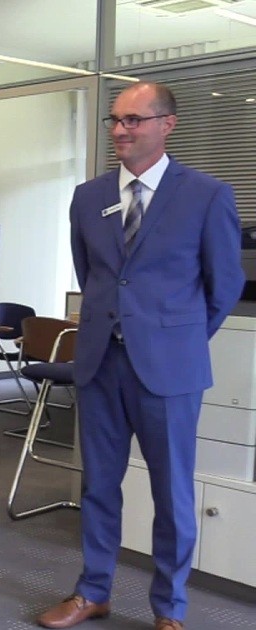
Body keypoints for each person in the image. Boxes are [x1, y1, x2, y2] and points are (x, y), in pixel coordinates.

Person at [36, 82, 243, 630]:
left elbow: (224, 286)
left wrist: (175, 338)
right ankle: (92, 591)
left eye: (134, 119)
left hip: (169, 370)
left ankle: (169, 609)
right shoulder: (88, 196)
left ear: (167, 124)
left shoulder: (207, 195)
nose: (120, 130)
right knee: (98, 485)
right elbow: (93, 275)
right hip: (100, 363)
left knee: (171, 492)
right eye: (115, 119)